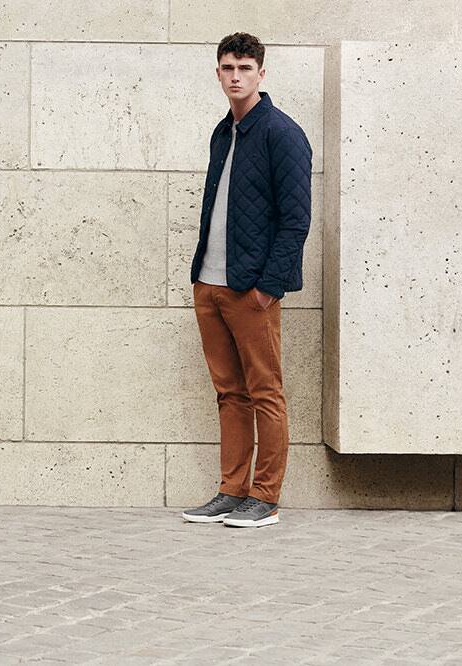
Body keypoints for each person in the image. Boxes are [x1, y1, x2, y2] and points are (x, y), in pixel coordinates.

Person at [181, 33, 312, 528]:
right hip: (209, 283)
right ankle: (231, 490)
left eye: (245, 68)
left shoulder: (282, 133)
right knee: (229, 393)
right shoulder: (223, 132)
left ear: (261, 73)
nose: (235, 76)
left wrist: (267, 288)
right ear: (218, 72)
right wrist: (202, 280)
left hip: (250, 290)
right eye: (228, 68)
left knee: (265, 392)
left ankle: (265, 496)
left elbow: (296, 221)